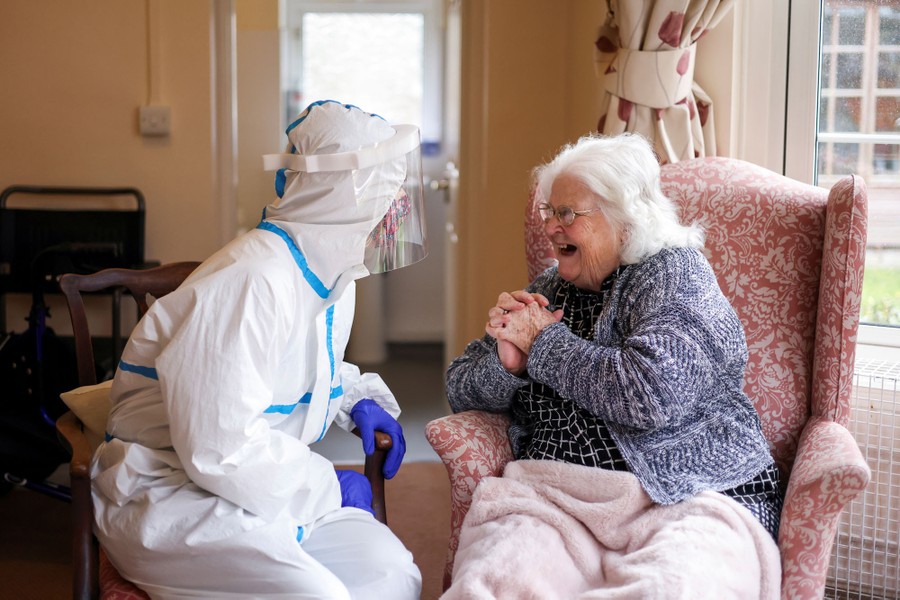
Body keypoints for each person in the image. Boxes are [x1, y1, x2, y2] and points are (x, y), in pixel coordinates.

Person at [92, 100, 425, 599]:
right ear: (341, 195)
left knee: (392, 575)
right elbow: (218, 447)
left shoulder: (332, 274)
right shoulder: (249, 282)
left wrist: (357, 397)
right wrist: (332, 486)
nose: (396, 207)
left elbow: (301, 361)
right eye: (385, 189)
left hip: (264, 484)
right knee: (318, 595)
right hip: (171, 489)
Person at [444, 133, 783, 596]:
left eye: (568, 214)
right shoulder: (550, 289)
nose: (550, 228)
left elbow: (649, 393)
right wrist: (508, 365)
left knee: (670, 589)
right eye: (548, 212)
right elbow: (459, 386)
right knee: (491, 584)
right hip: (554, 499)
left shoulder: (674, 274)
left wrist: (543, 344)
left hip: (683, 495)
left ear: (626, 218)